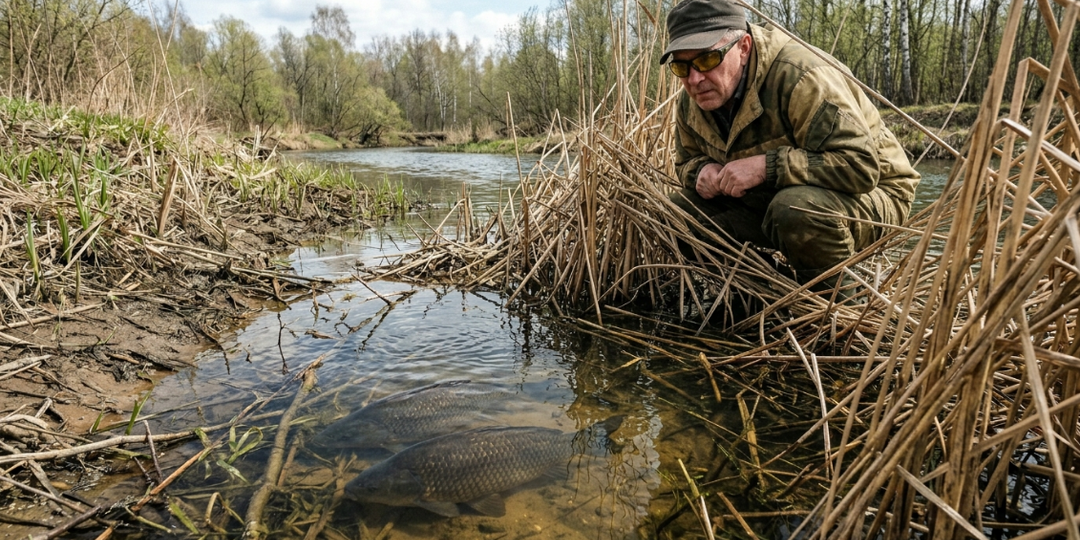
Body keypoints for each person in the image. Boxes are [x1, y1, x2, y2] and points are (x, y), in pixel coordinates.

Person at [662, 0, 919, 292]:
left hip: (875, 193)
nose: (694, 78)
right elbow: (686, 161)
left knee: (794, 210)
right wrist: (701, 171)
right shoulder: (694, 99)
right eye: (681, 66)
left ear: (743, 47)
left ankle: (836, 305)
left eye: (708, 60)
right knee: (677, 213)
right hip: (773, 198)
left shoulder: (801, 76)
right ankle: (768, 295)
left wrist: (766, 167)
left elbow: (860, 165)